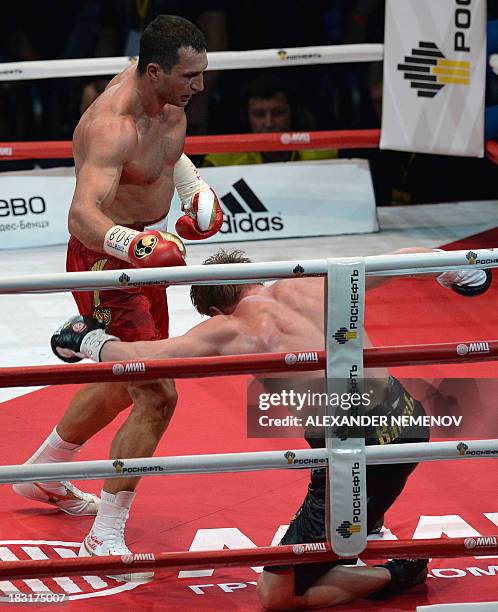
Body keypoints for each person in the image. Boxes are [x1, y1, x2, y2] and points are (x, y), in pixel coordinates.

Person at [51, 248, 490, 605]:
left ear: (218, 308)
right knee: (351, 493)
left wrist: (88, 339)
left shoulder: (227, 328)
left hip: (353, 452)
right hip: (409, 420)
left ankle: (399, 571)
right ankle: (365, 525)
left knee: (276, 594)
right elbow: (397, 259)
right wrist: (452, 267)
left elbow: (144, 358)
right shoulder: (309, 281)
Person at [12, 14, 223, 579]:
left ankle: (44, 470)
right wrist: (135, 246)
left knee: (129, 380)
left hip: (145, 259)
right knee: (157, 395)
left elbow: (170, 150)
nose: (198, 85)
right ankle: (105, 534)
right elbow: (83, 217)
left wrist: (192, 188)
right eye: (189, 76)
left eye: (202, 73)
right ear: (153, 72)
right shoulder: (110, 123)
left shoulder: (165, 96)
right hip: (109, 263)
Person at [203, 75, 338, 166]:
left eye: (278, 113)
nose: (269, 123)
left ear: (293, 113)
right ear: (246, 118)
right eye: (259, 114)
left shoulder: (323, 157)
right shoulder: (223, 161)